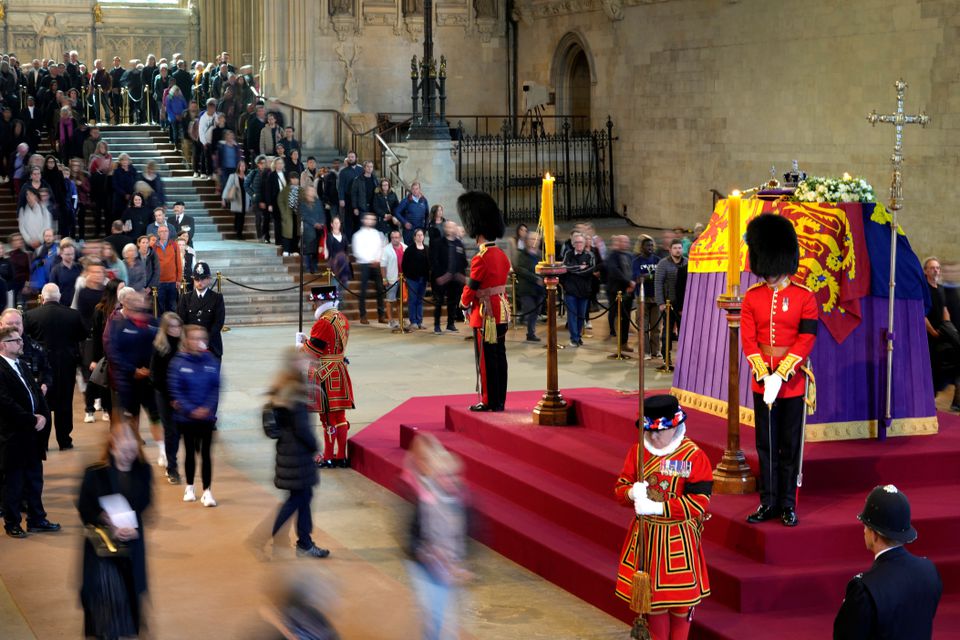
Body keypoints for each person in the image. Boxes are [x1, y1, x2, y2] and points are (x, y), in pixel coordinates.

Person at [741, 213, 818, 528]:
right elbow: (748, 340)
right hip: (763, 384)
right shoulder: (752, 297)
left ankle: (787, 503)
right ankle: (768, 501)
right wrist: (764, 374)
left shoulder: (804, 297)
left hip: (793, 383)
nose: (768, 276)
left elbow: (806, 338)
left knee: (789, 446)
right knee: (766, 445)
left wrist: (781, 374)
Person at [614, 395, 711, 640]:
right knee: (655, 604)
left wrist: (658, 509)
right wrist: (630, 492)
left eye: (660, 431)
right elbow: (620, 489)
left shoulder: (694, 456)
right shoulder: (638, 451)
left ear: (675, 426)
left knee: (681, 605)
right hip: (647, 541)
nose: (654, 436)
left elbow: (698, 503)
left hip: (678, 541)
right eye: (649, 431)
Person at [833, 485, 942, 639]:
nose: (864, 531)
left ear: (874, 534)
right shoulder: (929, 571)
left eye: (866, 526)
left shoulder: (864, 589)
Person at [77, 424, 153, 639]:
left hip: (131, 551)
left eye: (133, 450)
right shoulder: (95, 474)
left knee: (130, 609)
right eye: (124, 449)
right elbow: (84, 508)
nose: (129, 455)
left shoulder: (143, 472)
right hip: (102, 557)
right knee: (105, 614)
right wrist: (104, 518)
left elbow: (145, 504)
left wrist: (133, 528)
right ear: (113, 446)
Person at [403, 433, 472, 640]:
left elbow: (470, 530)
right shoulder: (423, 499)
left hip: (453, 565)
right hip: (427, 568)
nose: (450, 480)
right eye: (445, 476)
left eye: (453, 476)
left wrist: (464, 560)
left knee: (449, 619)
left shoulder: (462, 498)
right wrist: (426, 553)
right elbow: (411, 534)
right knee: (436, 615)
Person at [265, 348, 330, 558]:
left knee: (302, 496)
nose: (307, 362)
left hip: (288, 451)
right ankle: (271, 536)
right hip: (297, 454)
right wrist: (314, 447)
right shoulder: (294, 389)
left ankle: (304, 542)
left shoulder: (282, 385)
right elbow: (302, 428)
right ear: (294, 364)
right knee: (298, 498)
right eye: (303, 360)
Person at [0, 324, 60, 538]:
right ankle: (12, 523)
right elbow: (5, 403)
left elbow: (35, 392)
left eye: (20, 339)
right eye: (15, 340)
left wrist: (43, 417)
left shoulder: (21, 365)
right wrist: (31, 419)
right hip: (14, 434)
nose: (21, 342)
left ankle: (37, 519)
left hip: (33, 433)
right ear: (3, 345)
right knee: (14, 483)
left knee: (35, 479)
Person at [459, 191, 510, 412]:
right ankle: (500, 400)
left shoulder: (481, 258)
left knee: (486, 360)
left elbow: (471, 287)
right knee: (500, 356)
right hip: (502, 310)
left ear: (477, 232)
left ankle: (489, 400)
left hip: (486, 314)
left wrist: (462, 304)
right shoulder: (502, 255)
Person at [23, 283, 87, 450]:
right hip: (66, 365)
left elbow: (25, 340)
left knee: (42, 402)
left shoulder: (30, 315)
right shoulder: (73, 315)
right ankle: (64, 440)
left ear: (42, 298)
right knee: (64, 403)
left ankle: (42, 443)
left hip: (40, 368)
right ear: (59, 297)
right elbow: (83, 335)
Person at [105, 289, 164, 460]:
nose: (137, 305)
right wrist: (133, 370)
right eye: (132, 302)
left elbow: (160, 348)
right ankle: (132, 451)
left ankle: (163, 452)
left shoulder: (152, 323)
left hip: (149, 379)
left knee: (155, 416)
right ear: (124, 304)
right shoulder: (116, 324)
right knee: (129, 418)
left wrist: (151, 369)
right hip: (127, 381)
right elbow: (113, 352)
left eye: (139, 301)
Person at [300, 286, 355, 469]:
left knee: (328, 418)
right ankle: (341, 456)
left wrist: (301, 345)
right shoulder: (341, 318)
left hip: (325, 372)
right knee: (339, 416)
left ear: (321, 301)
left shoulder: (323, 322)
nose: (314, 305)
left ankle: (329, 456)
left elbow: (313, 351)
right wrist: (310, 339)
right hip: (338, 369)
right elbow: (328, 343)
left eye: (315, 302)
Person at [169, 324, 220, 506]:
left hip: (206, 417)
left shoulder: (211, 360)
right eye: (195, 338)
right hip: (186, 418)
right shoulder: (178, 362)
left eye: (202, 338)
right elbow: (176, 389)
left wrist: (207, 408)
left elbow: (216, 387)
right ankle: (190, 486)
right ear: (187, 341)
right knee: (190, 452)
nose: (200, 342)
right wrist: (191, 410)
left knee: (206, 454)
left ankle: (207, 491)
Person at [150, 312, 183, 484]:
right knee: (171, 431)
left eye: (178, 326)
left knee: (180, 432)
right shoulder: (160, 347)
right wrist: (171, 398)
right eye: (171, 326)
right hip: (165, 396)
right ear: (165, 328)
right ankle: (172, 467)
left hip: (182, 396)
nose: (176, 329)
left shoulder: (185, 346)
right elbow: (156, 377)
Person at [176, 261, 226, 359]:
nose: (200, 282)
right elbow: (182, 321)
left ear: (208, 279)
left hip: (211, 346)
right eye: (197, 279)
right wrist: (192, 341)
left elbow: (218, 322)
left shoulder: (216, 298)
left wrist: (204, 340)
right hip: (190, 347)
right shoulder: (185, 298)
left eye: (203, 279)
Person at [430, 220, 467, 334]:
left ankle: (450, 324)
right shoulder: (438, 242)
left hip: (455, 279)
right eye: (450, 227)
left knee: (453, 302)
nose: (452, 229)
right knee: (439, 302)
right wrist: (440, 275)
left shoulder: (459, 244)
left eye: (454, 227)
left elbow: (463, 261)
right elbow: (434, 261)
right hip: (442, 279)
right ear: (445, 229)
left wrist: (461, 274)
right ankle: (437, 325)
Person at [654, 238, 687, 359]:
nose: (678, 251)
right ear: (670, 250)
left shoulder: (687, 263)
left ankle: (683, 357)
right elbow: (658, 283)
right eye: (675, 248)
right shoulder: (663, 263)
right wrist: (660, 302)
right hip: (669, 303)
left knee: (683, 332)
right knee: (667, 331)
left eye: (679, 248)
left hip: (683, 304)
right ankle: (665, 356)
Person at [561, 232, 596, 347]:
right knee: (572, 315)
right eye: (577, 242)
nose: (579, 244)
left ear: (584, 243)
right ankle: (574, 338)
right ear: (573, 244)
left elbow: (590, 270)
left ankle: (578, 336)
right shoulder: (568, 254)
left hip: (584, 290)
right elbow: (566, 267)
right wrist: (579, 268)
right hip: (571, 290)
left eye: (581, 242)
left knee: (581, 316)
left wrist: (575, 271)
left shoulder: (590, 255)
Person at [351, 212, 386, 325]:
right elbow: (357, 251)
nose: (371, 221)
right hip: (365, 264)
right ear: (364, 220)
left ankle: (381, 315)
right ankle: (363, 316)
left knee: (380, 290)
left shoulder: (377, 233)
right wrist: (370, 260)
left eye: (373, 219)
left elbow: (381, 247)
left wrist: (377, 259)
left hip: (376, 264)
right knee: (363, 291)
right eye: (368, 219)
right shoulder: (357, 235)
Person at [605, 235, 636, 352]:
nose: (625, 243)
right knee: (618, 316)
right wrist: (628, 282)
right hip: (616, 291)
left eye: (627, 241)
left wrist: (632, 284)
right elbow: (615, 272)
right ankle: (617, 338)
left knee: (626, 318)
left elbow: (633, 271)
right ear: (618, 242)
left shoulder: (630, 256)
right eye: (622, 241)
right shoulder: (612, 256)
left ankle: (624, 342)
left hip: (629, 290)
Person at [514, 230, 544, 343]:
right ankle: (529, 331)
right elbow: (521, 270)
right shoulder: (522, 254)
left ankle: (531, 333)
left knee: (536, 312)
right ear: (527, 241)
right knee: (530, 310)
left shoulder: (540, 254)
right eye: (532, 239)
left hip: (539, 289)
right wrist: (536, 279)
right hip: (527, 289)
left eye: (536, 239)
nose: (534, 241)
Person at [633, 235, 660, 358]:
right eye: (647, 245)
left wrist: (647, 276)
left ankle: (656, 350)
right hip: (642, 298)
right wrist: (652, 276)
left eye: (651, 245)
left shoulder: (658, 260)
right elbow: (638, 278)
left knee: (656, 327)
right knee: (643, 327)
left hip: (656, 297)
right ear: (641, 247)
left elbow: (660, 277)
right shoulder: (636, 261)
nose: (650, 247)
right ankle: (645, 351)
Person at [403, 228, 430, 330]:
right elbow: (404, 264)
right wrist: (407, 276)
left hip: (423, 278)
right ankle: (413, 321)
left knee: (420, 300)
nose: (420, 237)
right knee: (413, 300)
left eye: (421, 235)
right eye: (418, 235)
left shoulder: (427, 249)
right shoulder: (409, 249)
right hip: (412, 279)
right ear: (414, 237)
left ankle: (419, 321)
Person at [380, 230, 407, 329]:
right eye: (393, 238)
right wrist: (384, 278)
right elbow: (382, 266)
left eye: (397, 237)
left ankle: (401, 319)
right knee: (390, 300)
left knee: (400, 301)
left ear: (400, 238)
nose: (395, 239)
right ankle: (391, 320)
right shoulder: (386, 249)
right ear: (391, 238)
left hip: (402, 278)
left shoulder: (405, 247)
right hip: (391, 279)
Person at [154, 224, 182, 315]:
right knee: (161, 307)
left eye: (166, 231)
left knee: (173, 306)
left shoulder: (174, 245)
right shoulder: (154, 246)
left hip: (172, 282)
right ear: (158, 233)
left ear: (169, 232)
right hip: (159, 282)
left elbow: (179, 263)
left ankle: (173, 326)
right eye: (161, 231)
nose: (164, 233)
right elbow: (152, 265)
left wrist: (178, 279)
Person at [300, 185, 326, 274]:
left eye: (313, 190)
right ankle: (307, 267)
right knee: (307, 250)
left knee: (315, 250)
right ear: (306, 192)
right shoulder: (302, 203)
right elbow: (304, 215)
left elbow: (322, 214)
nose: (312, 192)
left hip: (318, 230)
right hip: (308, 229)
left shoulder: (318, 202)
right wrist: (314, 223)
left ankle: (314, 267)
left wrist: (321, 223)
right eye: (310, 191)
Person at [394, 181, 429, 246]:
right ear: (411, 190)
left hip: (420, 229)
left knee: (419, 249)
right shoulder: (406, 200)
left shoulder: (424, 200)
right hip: (409, 230)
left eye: (417, 189)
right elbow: (397, 212)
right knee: (409, 250)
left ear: (419, 189)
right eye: (413, 189)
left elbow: (427, 214)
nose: (415, 191)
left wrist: (426, 226)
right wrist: (404, 222)